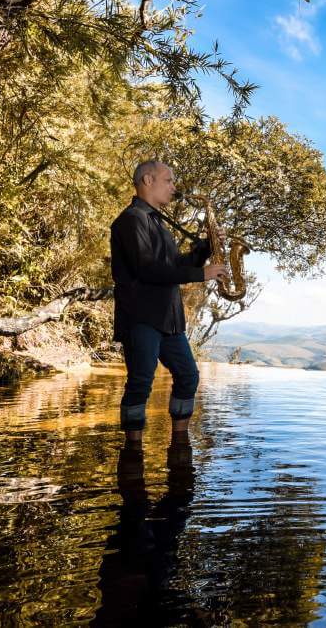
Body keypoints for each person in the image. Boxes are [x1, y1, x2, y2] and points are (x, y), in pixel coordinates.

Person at [110, 160, 228, 448]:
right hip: (141, 317)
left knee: (188, 376)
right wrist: (202, 274)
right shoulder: (130, 220)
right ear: (148, 180)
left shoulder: (156, 222)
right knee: (141, 382)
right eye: (169, 180)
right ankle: (132, 452)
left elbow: (174, 265)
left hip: (168, 319)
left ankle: (180, 444)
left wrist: (205, 249)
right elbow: (149, 269)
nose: (174, 187)